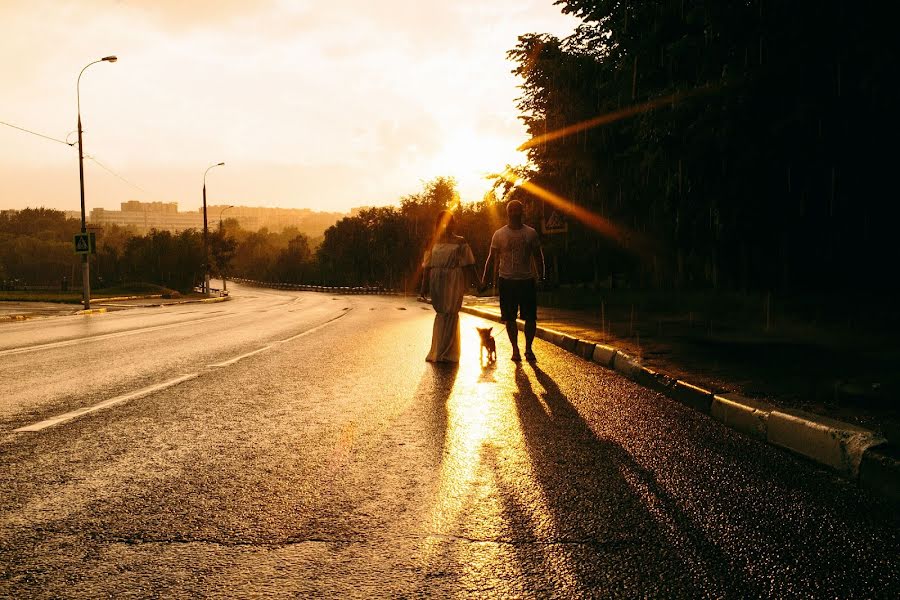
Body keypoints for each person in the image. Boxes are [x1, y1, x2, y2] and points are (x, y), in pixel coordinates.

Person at [481, 200, 545, 362]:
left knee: (530, 318)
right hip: (507, 281)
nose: (515, 213)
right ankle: (515, 349)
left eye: (518, 210)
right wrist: (484, 280)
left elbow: (538, 257)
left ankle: (528, 348)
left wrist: (543, 277)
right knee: (509, 318)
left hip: (527, 280)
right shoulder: (499, 234)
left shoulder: (531, 233)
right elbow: (491, 259)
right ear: (507, 213)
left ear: (522, 212)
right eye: (512, 210)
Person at [421, 210, 477, 363]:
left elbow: (469, 264)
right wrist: (423, 285)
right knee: (441, 312)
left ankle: (449, 353)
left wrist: (477, 283)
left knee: (451, 312)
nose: (448, 224)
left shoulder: (460, 241)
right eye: (445, 221)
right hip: (436, 278)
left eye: (451, 221)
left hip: (454, 278)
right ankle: (438, 350)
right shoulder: (431, 241)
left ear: (454, 223)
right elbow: (426, 265)